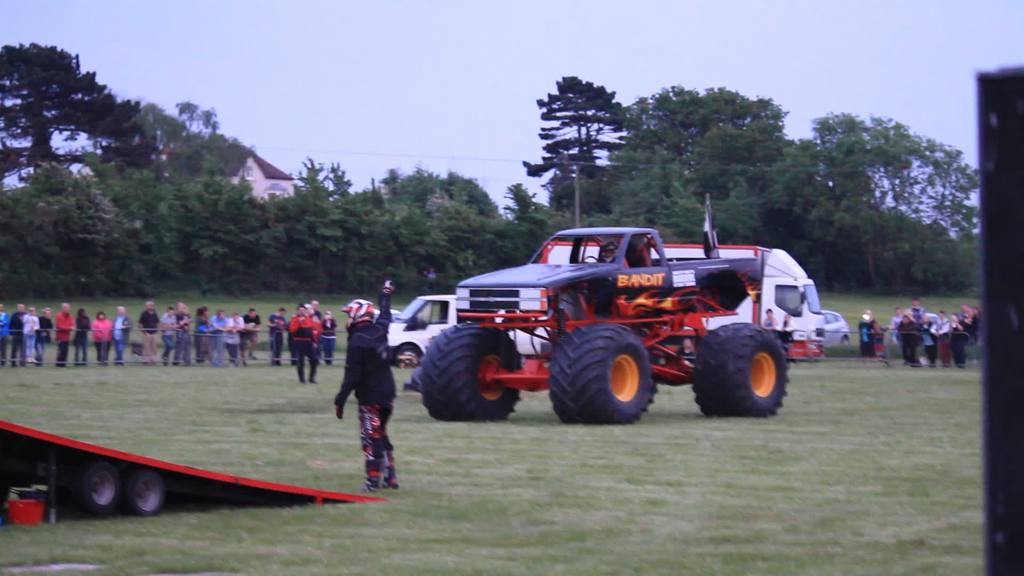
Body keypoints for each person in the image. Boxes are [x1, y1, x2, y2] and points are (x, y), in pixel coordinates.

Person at [336, 281, 399, 492]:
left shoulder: (357, 342)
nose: (347, 319)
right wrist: (386, 293)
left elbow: (352, 376)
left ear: (357, 315)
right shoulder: (380, 330)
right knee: (381, 432)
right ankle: (391, 476)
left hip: (370, 398)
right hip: (388, 394)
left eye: (349, 315)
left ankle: (373, 481)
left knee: (370, 437)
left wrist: (340, 399)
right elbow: (385, 313)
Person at [289, 304, 321, 383]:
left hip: (308, 342)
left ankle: (311, 378)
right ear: (297, 311)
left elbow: (311, 331)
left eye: (303, 310)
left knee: (314, 360)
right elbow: (292, 330)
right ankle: (302, 379)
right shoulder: (294, 319)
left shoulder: (308, 319)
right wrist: (299, 322)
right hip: (298, 342)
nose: (302, 311)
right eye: (300, 310)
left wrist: (314, 341)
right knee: (301, 361)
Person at [138, 301, 160, 365]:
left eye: (152, 305)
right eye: (149, 305)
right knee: (146, 347)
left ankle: (153, 360)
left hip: (154, 333)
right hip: (146, 333)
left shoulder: (155, 313)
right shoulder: (143, 313)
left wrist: (157, 330)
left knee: (154, 347)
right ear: (146, 306)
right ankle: (145, 360)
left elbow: (158, 322)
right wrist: (144, 332)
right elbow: (140, 324)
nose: (151, 306)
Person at [55, 303, 74, 367]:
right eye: (66, 308)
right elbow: (59, 326)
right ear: (62, 308)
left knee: (66, 351)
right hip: (60, 337)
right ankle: (59, 364)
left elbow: (72, 325)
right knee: (61, 351)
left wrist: (68, 328)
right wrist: (68, 328)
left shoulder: (70, 316)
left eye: (68, 308)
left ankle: (64, 364)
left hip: (67, 337)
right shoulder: (59, 315)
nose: (67, 309)